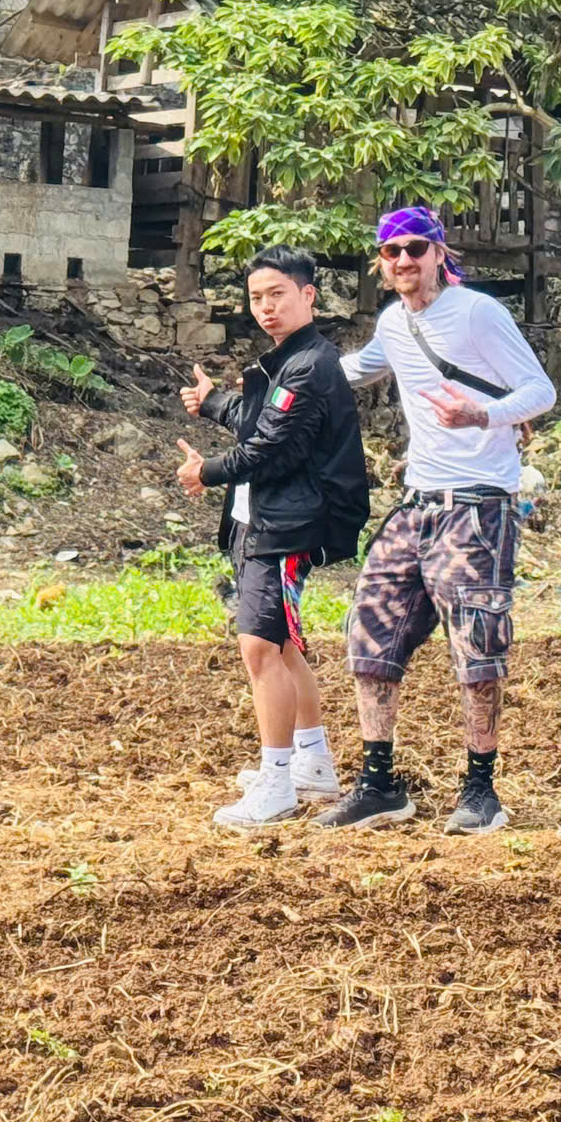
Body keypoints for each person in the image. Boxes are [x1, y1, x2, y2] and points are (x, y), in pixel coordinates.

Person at [312, 208, 556, 836]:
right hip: (417, 504)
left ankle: (481, 791)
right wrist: (277, 378)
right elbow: (356, 370)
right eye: (391, 252)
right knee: (369, 634)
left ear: (439, 253)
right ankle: (378, 785)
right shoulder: (395, 322)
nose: (403, 261)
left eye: (415, 248)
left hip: (477, 505)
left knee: (476, 648)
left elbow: (540, 392)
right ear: (380, 263)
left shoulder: (479, 313)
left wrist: (482, 415)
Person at [176, 246, 372, 829]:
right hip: (264, 518)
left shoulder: (310, 364)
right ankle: (312, 764)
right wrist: (213, 402)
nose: (265, 307)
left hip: (287, 525)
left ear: (308, 296)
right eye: (256, 296)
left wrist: (205, 472)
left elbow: (272, 447)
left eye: (277, 294)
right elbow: (263, 421)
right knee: (282, 645)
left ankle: (277, 782)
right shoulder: (285, 361)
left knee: (259, 648)